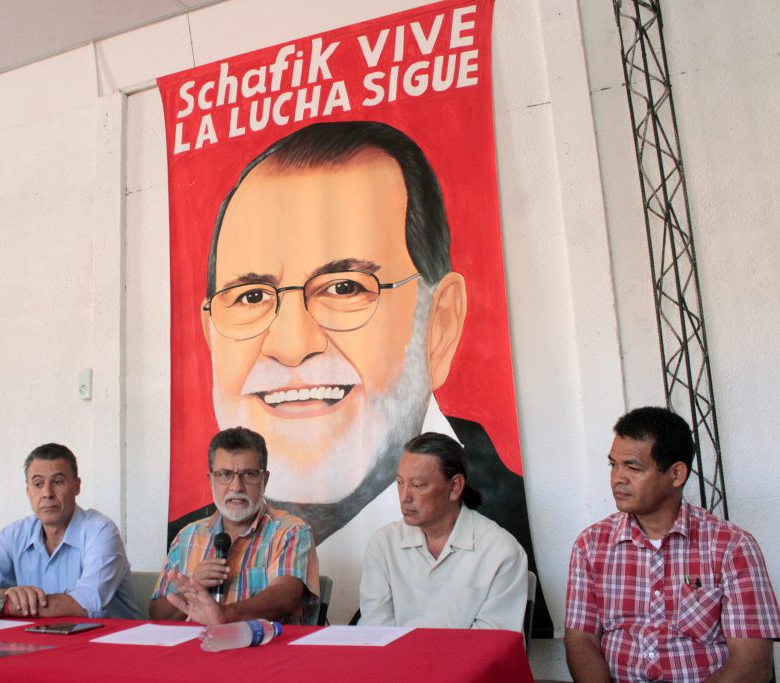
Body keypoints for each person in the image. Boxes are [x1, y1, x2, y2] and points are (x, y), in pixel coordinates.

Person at [170, 120, 549, 631]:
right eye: (252, 297)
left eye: (345, 287)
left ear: (439, 325)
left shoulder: (504, 539)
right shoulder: (189, 536)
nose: (292, 345)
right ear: (211, 334)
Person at [565, 407, 780, 682]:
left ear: (676, 474)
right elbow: (581, 640)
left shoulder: (732, 547)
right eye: (613, 465)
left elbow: (753, 664)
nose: (618, 478)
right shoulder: (591, 545)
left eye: (633, 467)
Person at [0, 443, 140, 619]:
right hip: (43, 643)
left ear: (77, 486)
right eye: (38, 484)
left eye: (58, 482)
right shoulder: (15, 534)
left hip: (112, 645)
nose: (47, 493)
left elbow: (86, 604)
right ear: (28, 491)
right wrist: (3, 595)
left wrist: (2, 603)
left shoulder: (100, 531)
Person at [150, 427, 319, 625]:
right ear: (211, 480)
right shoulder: (187, 536)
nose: (237, 487)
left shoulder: (290, 531)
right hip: (196, 642)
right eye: (225, 474)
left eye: (248, 474)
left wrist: (225, 614)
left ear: (264, 480)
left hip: (264, 643)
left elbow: (284, 599)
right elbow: (157, 615)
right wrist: (193, 588)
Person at [359, 433, 526, 629]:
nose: (404, 497)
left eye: (417, 485)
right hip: (397, 651)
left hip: (468, 652)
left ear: (454, 487)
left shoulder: (500, 551)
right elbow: (375, 630)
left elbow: (492, 641)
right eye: (400, 483)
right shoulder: (384, 544)